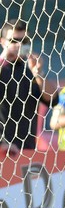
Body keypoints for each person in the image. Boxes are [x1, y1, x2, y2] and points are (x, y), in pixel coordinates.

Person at [0, 19, 57, 154]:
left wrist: (39, 73)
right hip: (2, 149)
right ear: (2, 41)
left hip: (26, 151)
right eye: (13, 41)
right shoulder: (2, 68)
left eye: (24, 41)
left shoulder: (30, 72)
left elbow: (52, 99)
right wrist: (4, 57)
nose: (19, 45)